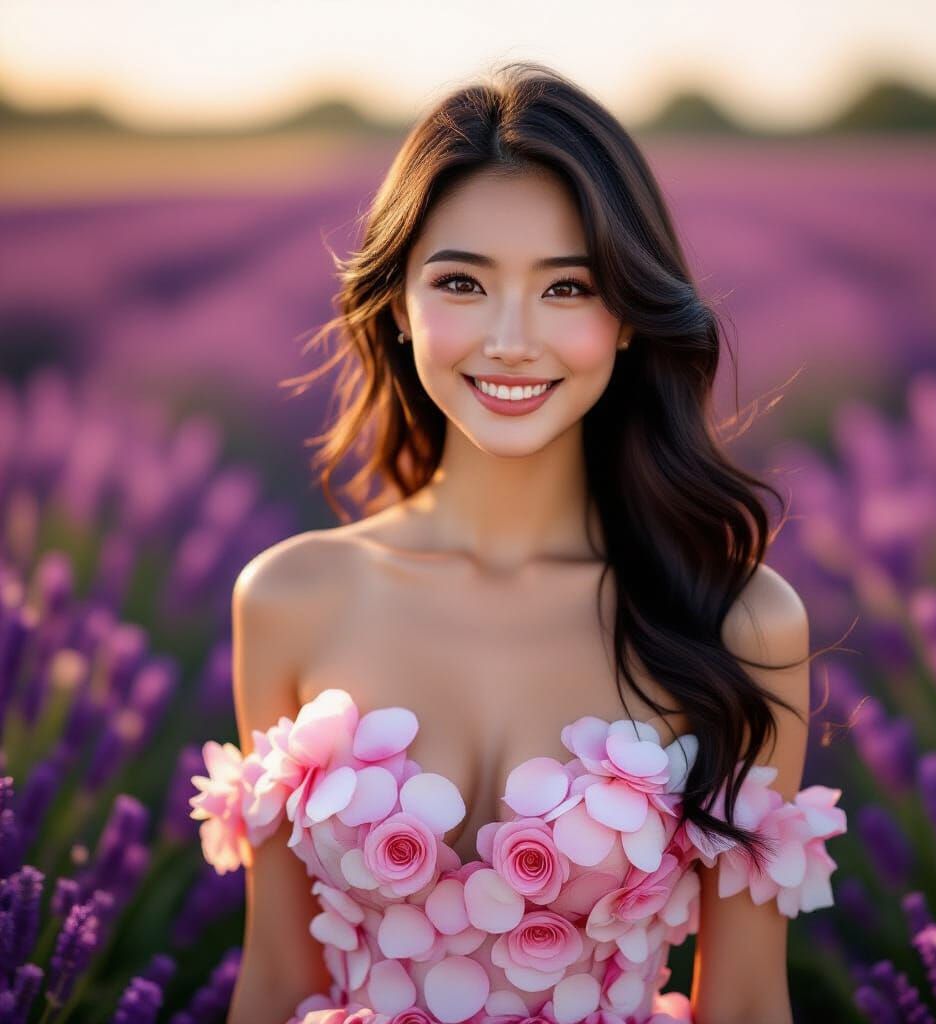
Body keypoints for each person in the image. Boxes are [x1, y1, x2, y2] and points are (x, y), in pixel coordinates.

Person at [189, 61, 847, 1024]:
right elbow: (279, 983)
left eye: (567, 288)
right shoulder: (291, 599)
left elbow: (746, 1002)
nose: (509, 339)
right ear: (399, 301)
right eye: (461, 281)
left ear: (628, 318)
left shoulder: (738, 620)